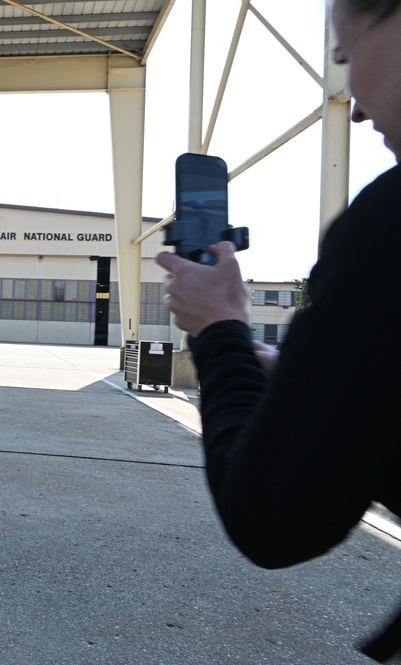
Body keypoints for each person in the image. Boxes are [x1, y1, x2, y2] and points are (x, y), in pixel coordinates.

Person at [156, 1, 400, 659]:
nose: (350, 103)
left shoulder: (386, 229)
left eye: (346, 59)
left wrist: (217, 331)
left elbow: (270, 517)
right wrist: (315, 388)